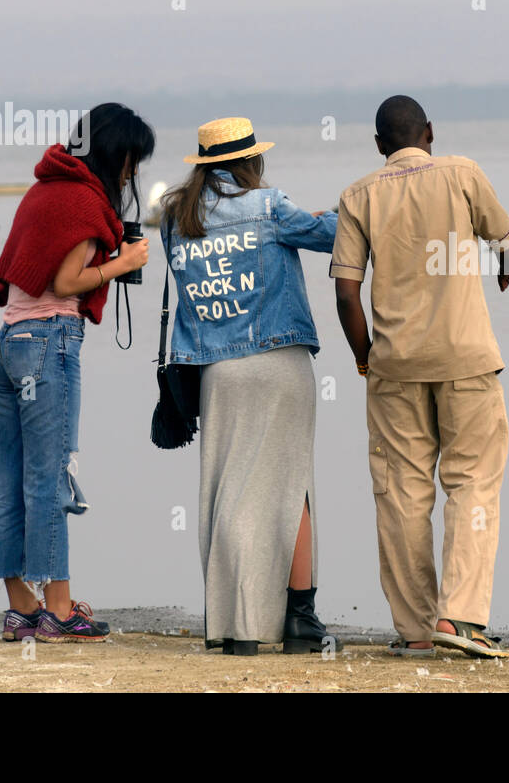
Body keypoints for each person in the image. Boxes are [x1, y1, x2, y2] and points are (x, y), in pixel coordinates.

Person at [331, 95, 509, 659]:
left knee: (400, 494)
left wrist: (366, 357)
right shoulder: (463, 174)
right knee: (472, 483)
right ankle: (459, 617)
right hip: (466, 359)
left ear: (378, 145)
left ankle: (416, 630)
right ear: (430, 131)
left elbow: (346, 291)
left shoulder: (357, 195)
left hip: (394, 366)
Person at [161, 117, 341, 656]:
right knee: (293, 488)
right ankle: (299, 620)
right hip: (278, 362)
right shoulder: (269, 206)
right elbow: (336, 236)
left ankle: (237, 625)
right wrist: (324, 214)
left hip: (218, 371)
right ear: (251, 162)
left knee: (228, 492)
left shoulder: (177, 218)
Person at [0, 102, 154, 643]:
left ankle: (22, 607)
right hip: (48, 341)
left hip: (8, 343)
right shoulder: (84, 199)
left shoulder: (44, 189)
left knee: (13, 477)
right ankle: (58, 609)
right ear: (116, 153)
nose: (132, 174)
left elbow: (22, 272)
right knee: (52, 475)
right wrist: (124, 263)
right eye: (132, 162)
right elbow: (65, 282)